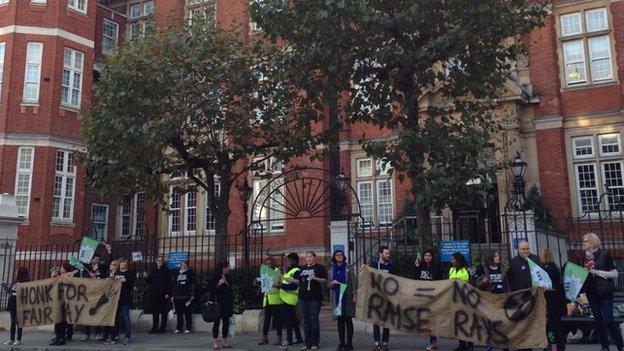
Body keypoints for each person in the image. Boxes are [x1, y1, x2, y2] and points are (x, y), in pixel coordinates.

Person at [566, 233, 623, 351]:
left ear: (592, 241)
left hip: (605, 293)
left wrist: (597, 272)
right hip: (592, 293)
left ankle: (620, 345)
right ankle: (604, 347)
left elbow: (615, 274)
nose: (583, 243)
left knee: (609, 320)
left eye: (585, 241)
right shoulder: (586, 257)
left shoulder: (604, 254)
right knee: (598, 320)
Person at [506, 240, 539, 351]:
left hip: (533, 296)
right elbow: (509, 279)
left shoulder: (535, 259)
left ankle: (531, 344)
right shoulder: (513, 262)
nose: (525, 251)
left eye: (527, 249)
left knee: (531, 322)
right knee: (520, 322)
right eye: (523, 249)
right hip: (519, 298)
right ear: (518, 250)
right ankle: (521, 345)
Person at [475, 250, 506, 351]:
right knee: (490, 322)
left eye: (498, 256)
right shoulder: (484, 269)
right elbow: (477, 283)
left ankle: (503, 343)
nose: (498, 258)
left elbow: (507, 282)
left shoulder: (502, 268)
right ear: (490, 257)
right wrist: (483, 281)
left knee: (502, 321)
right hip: (489, 298)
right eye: (496, 256)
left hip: (501, 297)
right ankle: (490, 343)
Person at [414, 249, 442, 351]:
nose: (427, 257)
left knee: (432, 318)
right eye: (425, 255)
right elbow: (416, 278)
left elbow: (439, 281)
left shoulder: (436, 267)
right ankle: (427, 334)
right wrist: (416, 267)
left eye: (429, 256)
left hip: (433, 296)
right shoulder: (421, 266)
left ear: (432, 257)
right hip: (423, 296)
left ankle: (433, 341)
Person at [299, 251, 327, 350]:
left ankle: (315, 342)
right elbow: (299, 281)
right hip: (303, 297)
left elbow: (324, 280)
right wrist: (290, 280)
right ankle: (307, 343)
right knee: (305, 321)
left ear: (314, 257)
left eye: (310, 257)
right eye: (307, 257)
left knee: (313, 320)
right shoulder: (302, 268)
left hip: (314, 297)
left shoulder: (319, 267)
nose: (309, 259)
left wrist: (315, 278)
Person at [329, 249, 356, 351]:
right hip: (337, 297)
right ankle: (341, 342)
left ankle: (349, 342)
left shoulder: (348, 267)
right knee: (340, 321)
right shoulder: (331, 269)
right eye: (337, 255)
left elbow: (353, 281)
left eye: (341, 254)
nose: (339, 256)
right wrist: (332, 283)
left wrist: (355, 294)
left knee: (348, 320)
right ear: (334, 257)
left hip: (348, 296)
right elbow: (328, 284)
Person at [105, 257, 136, 345]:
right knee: (114, 318)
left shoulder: (130, 273)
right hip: (115, 299)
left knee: (126, 318)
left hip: (125, 298)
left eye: (124, 262)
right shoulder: (116, 273)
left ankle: (127, 336)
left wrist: (119, 280)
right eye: (121, 262)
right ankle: (114, 336)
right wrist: (111, 276)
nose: (123, 263)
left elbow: (129, 283)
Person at [540, 249, 566, 351]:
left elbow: (553, 286)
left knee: (552, 326)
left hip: (551, 301)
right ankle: (560, 347)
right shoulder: (555, 268)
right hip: (557, 302)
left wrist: (543, 287)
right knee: (556, 326)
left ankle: (551, 347)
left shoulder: (547, 269)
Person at [278, 252, 304, 348]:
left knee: (288, 321)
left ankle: (289, 340)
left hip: (290, 299)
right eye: (287, 260)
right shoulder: (289, 270)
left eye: (290, 260)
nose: (288, 262)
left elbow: (294, 286)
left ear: (295, 261)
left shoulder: (296, 271)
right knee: (293, 320)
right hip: (286, 298)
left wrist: (281, 286)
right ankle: (299, 338)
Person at [370, 245, 393, 351]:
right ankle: (376, 342)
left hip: (388, 297)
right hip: (376, 296)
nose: (388, 255)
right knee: (376, 319)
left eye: (389, 253)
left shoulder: (391, 266)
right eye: (386, 253)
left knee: (386, 320)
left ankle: (385, 342)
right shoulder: (374, 265)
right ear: (380, 254)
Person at [449, 252, 472, 351]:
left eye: (453, 259)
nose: (452, 261)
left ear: (458, 261)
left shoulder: (466, 270)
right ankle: (461, 343)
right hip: (455, 299)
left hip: (466, 298)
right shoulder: (451, 270)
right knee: (458, 321)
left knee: (468, 321)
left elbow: (471, 283)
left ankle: (470, 343)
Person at [82, 253, 108, 341]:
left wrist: (109, 252)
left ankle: (98, 333)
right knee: (88, 314)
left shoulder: (102, 268)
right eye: (95, 259)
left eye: (98, 260)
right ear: (92, 260)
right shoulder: (88, 269)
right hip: (89, 294)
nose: (97, 261)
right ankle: (86, 333)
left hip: (99, 294)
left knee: (98, 313)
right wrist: (93, 271)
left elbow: (109, 264)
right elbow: (85, 280)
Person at [51, 263, 78, 346]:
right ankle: (57, 337)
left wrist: (70, 274)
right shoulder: (59, 276)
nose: (61, 268)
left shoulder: (70, 275)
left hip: (66, 302)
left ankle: (62, 338)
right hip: (58, 301)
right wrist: (53, 276)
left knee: (63, 321)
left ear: (65, 268)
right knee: (57, 320)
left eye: (62, 267)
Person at [2, 267, 30, 346]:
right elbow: (10, 292)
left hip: (19, 303)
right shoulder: (15, 282)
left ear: (20, 273)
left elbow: (10, 291)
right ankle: (11, 339)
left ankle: (18, 339)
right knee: (13, 322)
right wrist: (5, 285)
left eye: (17, 272)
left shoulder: (25, 282)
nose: (15, 273)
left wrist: (4, 285)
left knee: (19, 322)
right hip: (12, 302)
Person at [259, 257, 283, 346]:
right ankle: (264, 338)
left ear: (273, 263)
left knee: (277, 320)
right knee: (267, 320)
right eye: (266, 264)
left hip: (276, 300)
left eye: (269, 263)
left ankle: (279, 337)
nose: (268, 265)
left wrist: (267, 281)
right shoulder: (265, 272)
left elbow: (277, 282)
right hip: (267, 299)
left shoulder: (277, 271)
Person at [210, 261, 233, 350]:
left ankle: (224, 340)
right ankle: (215, 341)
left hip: (226, 302)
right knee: (217, 322)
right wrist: (218, 285)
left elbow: (230, 289)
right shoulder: (215, 277)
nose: (229, 269)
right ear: (223, 268)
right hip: (218, 303)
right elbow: (211, 290)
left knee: (226, 322)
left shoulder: (228, 277)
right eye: (228, 267)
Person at [148, 256, 172, 334]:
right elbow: (149, 281)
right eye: (158, 260)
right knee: (155, 311)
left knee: (163, 311)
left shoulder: (166, 271)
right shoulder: (153, 270)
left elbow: (169, 283)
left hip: (163, 293)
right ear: (156, 261)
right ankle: (155, 327)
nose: (160, 261)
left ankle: (162, 327)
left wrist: (168, 293)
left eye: (161, 260)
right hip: (154, 293)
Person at [172, 260, 195, 334]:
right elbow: (174, 285)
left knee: (187, 312)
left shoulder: (190, 273)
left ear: (187, 266)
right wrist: (173, 295)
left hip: (186, 295)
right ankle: (179, 327)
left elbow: (193, 284)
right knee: (179, 313)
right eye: (182, 265)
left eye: (184, 265)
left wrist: (192, 294)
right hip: (178, 295)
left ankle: (188, 328)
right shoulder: (177, 273)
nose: (183, 266)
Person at [101, 259, 119, 343]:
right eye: (112, 264)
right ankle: (105, 335)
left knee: (113, 318)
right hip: (107, 299)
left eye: (115, 265)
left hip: (115, 300)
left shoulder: (119, 275)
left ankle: (113, 336)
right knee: (106, 318)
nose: (113, 266)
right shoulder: (106, 273)